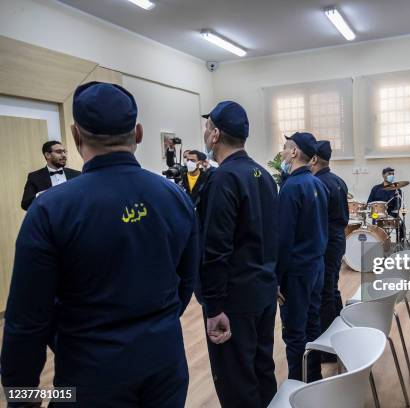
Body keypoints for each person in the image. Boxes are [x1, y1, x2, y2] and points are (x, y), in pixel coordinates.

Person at [1, 81, 198, 407]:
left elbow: (27, 318)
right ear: (138, 133)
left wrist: (21, 395)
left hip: (90, 372)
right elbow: (185, 282)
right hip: (165, 364)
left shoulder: (50, 209)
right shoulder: (175, 197)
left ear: (77, 136)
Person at [198, 101, 279, 408]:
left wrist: (214, 305)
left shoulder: (222, 179)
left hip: (233, 300)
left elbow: (216, 248)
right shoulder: (263, 175)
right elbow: (275, 237)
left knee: (235, 381)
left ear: (215, 134)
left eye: (208, 128)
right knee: (261, 368)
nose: (206, 133)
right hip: (263, 292)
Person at [277, 132, 328, 383]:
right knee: (312, 326)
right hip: (316, 266)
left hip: (296, 272)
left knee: (295, 332)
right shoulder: (318, 184)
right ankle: (315, 379)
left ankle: (297, 387)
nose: (283, 153)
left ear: (295, 152)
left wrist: (276, 279)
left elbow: (283, 239)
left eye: (285, 148)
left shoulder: (291, 187)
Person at [310, 140, 349, 363]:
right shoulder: (338, 180)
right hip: (338, 239)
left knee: (325, 293)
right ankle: (341, 336)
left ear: (313, 159)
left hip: (326, 242)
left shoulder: (317, 184)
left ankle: (327, 349)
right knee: (332, 290)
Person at [20, 141, 81, 210]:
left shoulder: (77, 175)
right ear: (47, 155)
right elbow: (26, 204)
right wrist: (41, 195)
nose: (64, 155)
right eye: (59, 152)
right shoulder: (34, 177)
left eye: (64, 152)